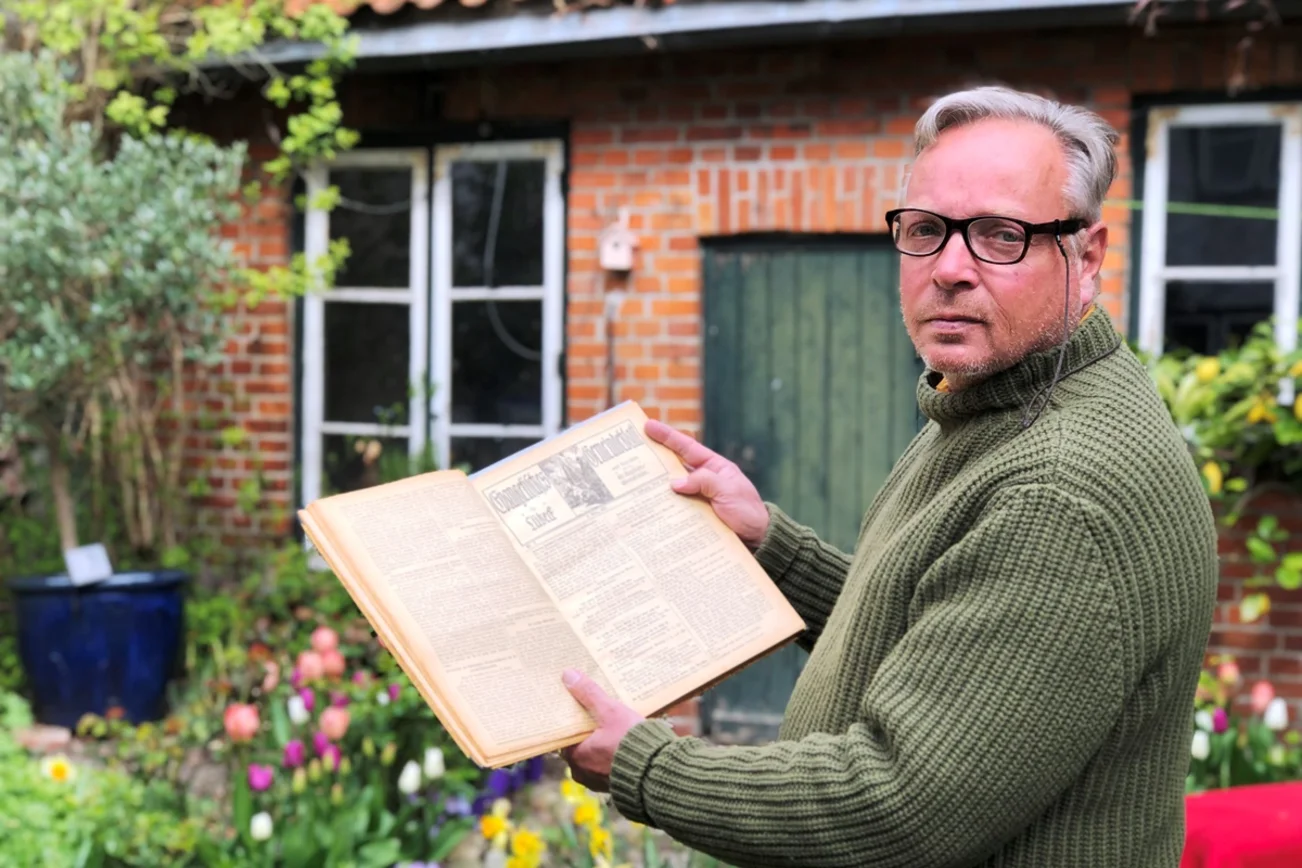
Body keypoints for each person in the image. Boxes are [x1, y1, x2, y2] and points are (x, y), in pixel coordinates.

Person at [559, 85, 1218, 868]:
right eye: (927, 230)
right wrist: (772, 546)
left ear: (1088, 254)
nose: (950, 269)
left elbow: (898, 807)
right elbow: (941, 642)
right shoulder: (999, 404)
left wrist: (646, 765)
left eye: (1002, 235)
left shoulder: (1058, 489)